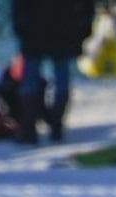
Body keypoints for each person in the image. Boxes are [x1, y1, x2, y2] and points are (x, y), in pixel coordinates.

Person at [10, 0, 92, 143]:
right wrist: (84, 26)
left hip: (34, 25)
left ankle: (31, 126)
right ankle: (55, 123)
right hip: (63, 24)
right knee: (60, 76)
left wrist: (19, 22)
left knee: (32, 78)